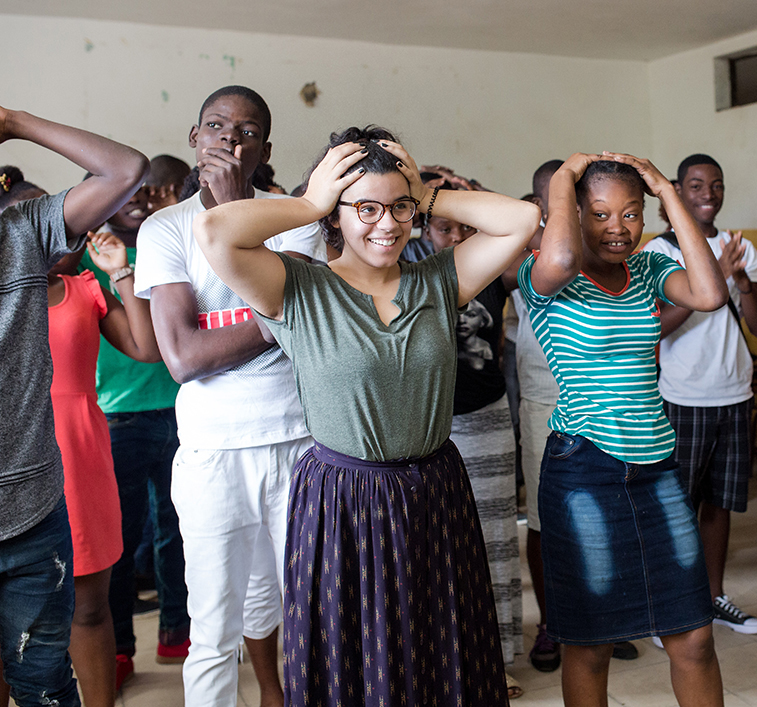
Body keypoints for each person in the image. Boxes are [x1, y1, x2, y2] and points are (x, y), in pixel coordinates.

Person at [192, 126, 540, 704]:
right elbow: (213, 231)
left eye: (399, 208)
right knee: (360, 662)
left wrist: (424, 190)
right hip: (344, 502)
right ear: (336, 214)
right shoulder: (297, 287)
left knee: (439, 651)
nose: (387, 223)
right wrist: (307, 203)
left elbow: (522, 221)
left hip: (436, 492)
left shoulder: (438, 279)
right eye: (367, 208)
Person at [134, 85, 323, 707]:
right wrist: (279, 317)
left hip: (299, 445)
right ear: (194, 137)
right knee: (213, 630)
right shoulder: (164, 229)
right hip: (213, 455)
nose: (229, 140)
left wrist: (242, 211)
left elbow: (305, 337)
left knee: (302, 614)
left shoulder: (296, 219)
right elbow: (183, 356)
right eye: (216, 126)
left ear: (264, 148)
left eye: (246, 132)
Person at [519, 152, 728, 706]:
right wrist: (564, 177)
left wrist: (666, 190)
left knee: (694, 635)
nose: (618, 228)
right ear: (571, 213)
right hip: (584, 469)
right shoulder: (545, 273)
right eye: (600, 213)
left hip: (657, 470)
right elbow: (562, 251)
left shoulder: (651, 270)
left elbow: (710, 294)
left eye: (632, 213)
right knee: (592, 642)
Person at [0, 107, 148, 707]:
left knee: (47, 682)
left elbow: (125, 169)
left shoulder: (22, 236)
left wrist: (13, 121)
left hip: (42, 492)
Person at [641, 154, 757, 635]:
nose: (708, 194)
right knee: (679, 505)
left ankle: (713, 597)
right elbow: (655, 328)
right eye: (696, 185)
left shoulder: (740, 247)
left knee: (719, 504)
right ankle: (670, 607)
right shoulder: (658, 251)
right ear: (676, 190)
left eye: (716, 184)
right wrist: (711, 273)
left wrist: (739, 279)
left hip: (734, 393)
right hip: (683, 394)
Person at [411, 181, 526, 697]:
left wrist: (459, 193)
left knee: (495, 541)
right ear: (423, 230)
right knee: (437, 547)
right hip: (428, 426)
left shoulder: (494, 269)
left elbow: (522, 222)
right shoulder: (409, 274)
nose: (455, 235)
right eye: (443, 227)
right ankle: (445, 658)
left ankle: (495, 660)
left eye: (464, 226)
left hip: (486, 415)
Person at [78, 184, 191, 685]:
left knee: (177, 529)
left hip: (176, 405)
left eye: (144, 191)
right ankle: (120, 646)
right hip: (116, 415)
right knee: (117, 541)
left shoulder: (162, 244)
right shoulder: (78, 259)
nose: (138, 198)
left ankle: (175, 633)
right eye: (125, 192)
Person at [46, 225, 162, 707]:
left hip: (79, 453)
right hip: (15, 454)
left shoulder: (82, 288)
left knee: (89, 609)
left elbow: (146, 347)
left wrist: (120, 272)